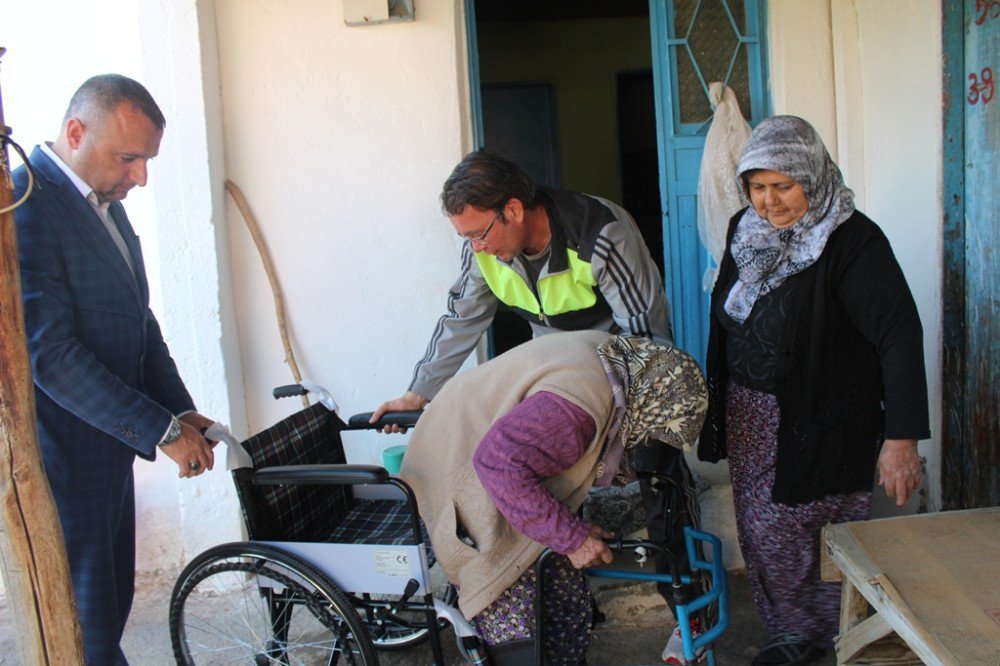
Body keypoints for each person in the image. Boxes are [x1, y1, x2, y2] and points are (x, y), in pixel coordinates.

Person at [372, 149, 705, 662]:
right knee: (533, 490)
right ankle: (569, 605)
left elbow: (648, 337)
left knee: (662, 483)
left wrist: (634, 430)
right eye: (467, 238)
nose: (477, 246)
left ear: (513, 208)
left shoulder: (601, 232)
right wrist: (420, 391)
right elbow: (462, 318)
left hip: (618, 378)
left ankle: (688, 612)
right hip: (549, 379)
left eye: (480, 232)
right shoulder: (483, 250)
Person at [697, 115, 929, 666]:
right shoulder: (743, 229)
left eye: (784, 186)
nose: (770, 202)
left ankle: (821, 636)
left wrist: (902, 436)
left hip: (822, 414)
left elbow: (898, 333)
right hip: (751, 412)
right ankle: (791, 631)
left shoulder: (852, 240)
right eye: (757, 187)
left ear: (814, 177)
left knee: (806, 529)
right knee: (759, 529)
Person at [13, 74, 217, 665]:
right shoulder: (27, 206)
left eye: (147, 159)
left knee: (107, 613)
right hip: (63, 458)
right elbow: (50, 355)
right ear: (76, 132)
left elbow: (137, 320)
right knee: (80, 624)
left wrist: (178, 407)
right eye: (129, 158)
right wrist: (161, 430)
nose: (141, 176)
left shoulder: (103, 205)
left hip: (106, 451)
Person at [401, 330, 708, 664]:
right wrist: (573, 538)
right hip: (459, 472)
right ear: (651, 404)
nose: (646, 443)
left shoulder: (618, 367)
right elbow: (498, 464)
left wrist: (570, 537)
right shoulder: (579, 412)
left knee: (565, 595)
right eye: (654, 432)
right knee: (517, 617)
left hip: (497, 463)